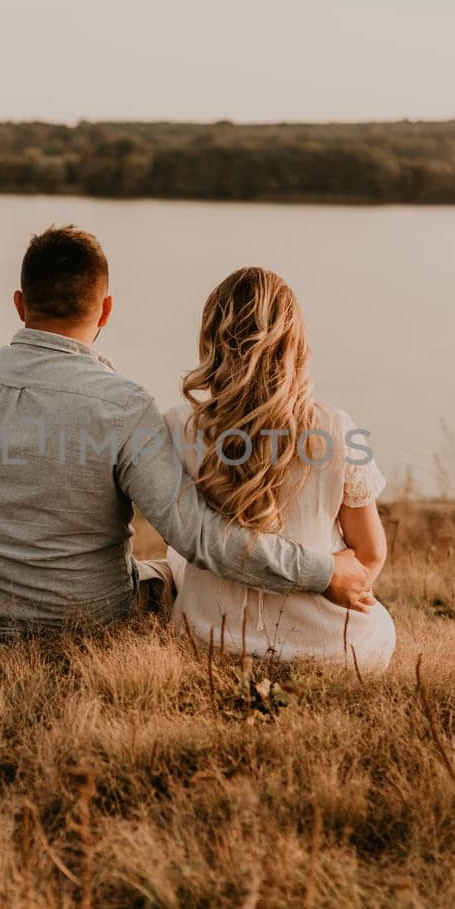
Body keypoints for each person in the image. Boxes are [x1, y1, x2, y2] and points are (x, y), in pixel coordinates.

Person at [0, 225, 374, 630]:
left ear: (20, 304)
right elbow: (199, 538)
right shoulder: (123, 406)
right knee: (169, 573)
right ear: (105, 310)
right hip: (85, 618)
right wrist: (323, 571)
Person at [164, 267, 396, 671]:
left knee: (175, 561)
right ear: (295, 342)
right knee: (380, 624)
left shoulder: (177, 428)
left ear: (212, 340)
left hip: (207, 639)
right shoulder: (336, 427)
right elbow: (371, 554)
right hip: (332, 651)